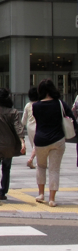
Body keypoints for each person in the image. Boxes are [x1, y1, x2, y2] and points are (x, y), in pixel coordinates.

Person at [32, 79, 76, 207]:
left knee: (41, 166)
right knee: (54, 169)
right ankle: (52, 199)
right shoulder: (60, 104)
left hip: (40, 140)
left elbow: (38, 121)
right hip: (57, 139)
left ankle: (41, 194)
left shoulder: (36, 106)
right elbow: (72, 118)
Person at [0, 88, 25, 205]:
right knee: (6, 168)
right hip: (10, 145)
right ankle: (3, 191)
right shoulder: (14, 112)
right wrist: (22, 141)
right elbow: (18, 127)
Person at [21, 87, 39, 169]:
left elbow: (23, 120)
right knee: (38, 144)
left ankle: (38, 161)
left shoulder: (28, 105)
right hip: (38, 125)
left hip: (29, 126)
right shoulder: (40, 104)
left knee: (34, 145)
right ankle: (31, 159)